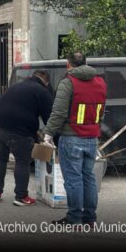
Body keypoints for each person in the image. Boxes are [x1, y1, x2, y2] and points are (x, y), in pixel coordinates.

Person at [43, 51, 107, 228]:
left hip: (72, 138)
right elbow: (101, 110)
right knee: (89, 178)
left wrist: (48, 133)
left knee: (73, 180)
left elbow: (59, 112)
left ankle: (75, 218)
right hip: (92, 138)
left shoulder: (68, 82)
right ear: (86, 63)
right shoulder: (100, 82)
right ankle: (90, 218)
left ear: (68, 65)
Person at [0, 70, 53, 206]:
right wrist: (53, 137)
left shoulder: (17, 85)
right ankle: (21, 196)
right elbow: (50, 119)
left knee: (0, 158)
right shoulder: (42, 91)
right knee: (22, 161)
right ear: (46, 82)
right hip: (18, 130)